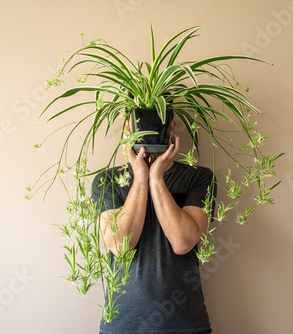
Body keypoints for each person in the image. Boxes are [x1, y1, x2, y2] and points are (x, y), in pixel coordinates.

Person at [92, 118, 215, 334]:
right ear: (127, 129)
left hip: (185, 325)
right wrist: (140, 178)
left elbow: (182, 243)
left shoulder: (199, 177)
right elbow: (120, 246)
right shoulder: (107, 180)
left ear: (172, 126)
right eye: (139, 124)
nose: (148, 130)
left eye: (156, 122)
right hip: (122, 325)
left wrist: (156, 178)